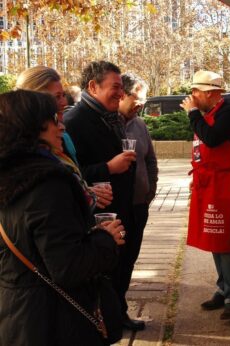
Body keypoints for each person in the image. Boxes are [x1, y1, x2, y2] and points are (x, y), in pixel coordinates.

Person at [0, 90, 125, 345]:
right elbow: (68, 266)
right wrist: (106, 238)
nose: (61, 126)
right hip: (53, 319)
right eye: (54, 119)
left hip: (17, 312)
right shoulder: (46, 183)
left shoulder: (10, 174)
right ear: (35, 126)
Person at [64, 61, 144, 331]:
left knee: (123, 267)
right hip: (99, 215)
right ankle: (103, 322)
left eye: (122, 88)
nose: (121, 94)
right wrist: (108, 167)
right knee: (106, 273)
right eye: (115, 88)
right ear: (92, 86)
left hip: (125, 208)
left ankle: (117, 313)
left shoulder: (111, 117)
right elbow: (70, 174)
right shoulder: (74, 121)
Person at [180, 70, 230, 320]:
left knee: (224, 236)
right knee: (213, 234)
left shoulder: (228, 113)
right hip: (211, 183)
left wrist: (192, 114)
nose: (192, 97)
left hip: (227, 183)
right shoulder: (210, 113)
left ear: (210, 93)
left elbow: (212, 139)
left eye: (195, 92)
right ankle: (223, 287)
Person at [15, 66, 113, 211]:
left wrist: (87, 191)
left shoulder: (63, 138)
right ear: (34, 101)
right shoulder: (17, 149)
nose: (64, 103)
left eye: (63, 95)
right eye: (56, 97)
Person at [119, 73, 158, 277]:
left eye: (144, 100)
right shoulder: (108, 124)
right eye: (138, 98)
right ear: (122, 95)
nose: (141, 105)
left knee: (130, 259)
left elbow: (150, 160)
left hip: (139, 205)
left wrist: (150, 190)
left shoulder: (140, 125)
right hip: (117, 207)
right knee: (116, 261)